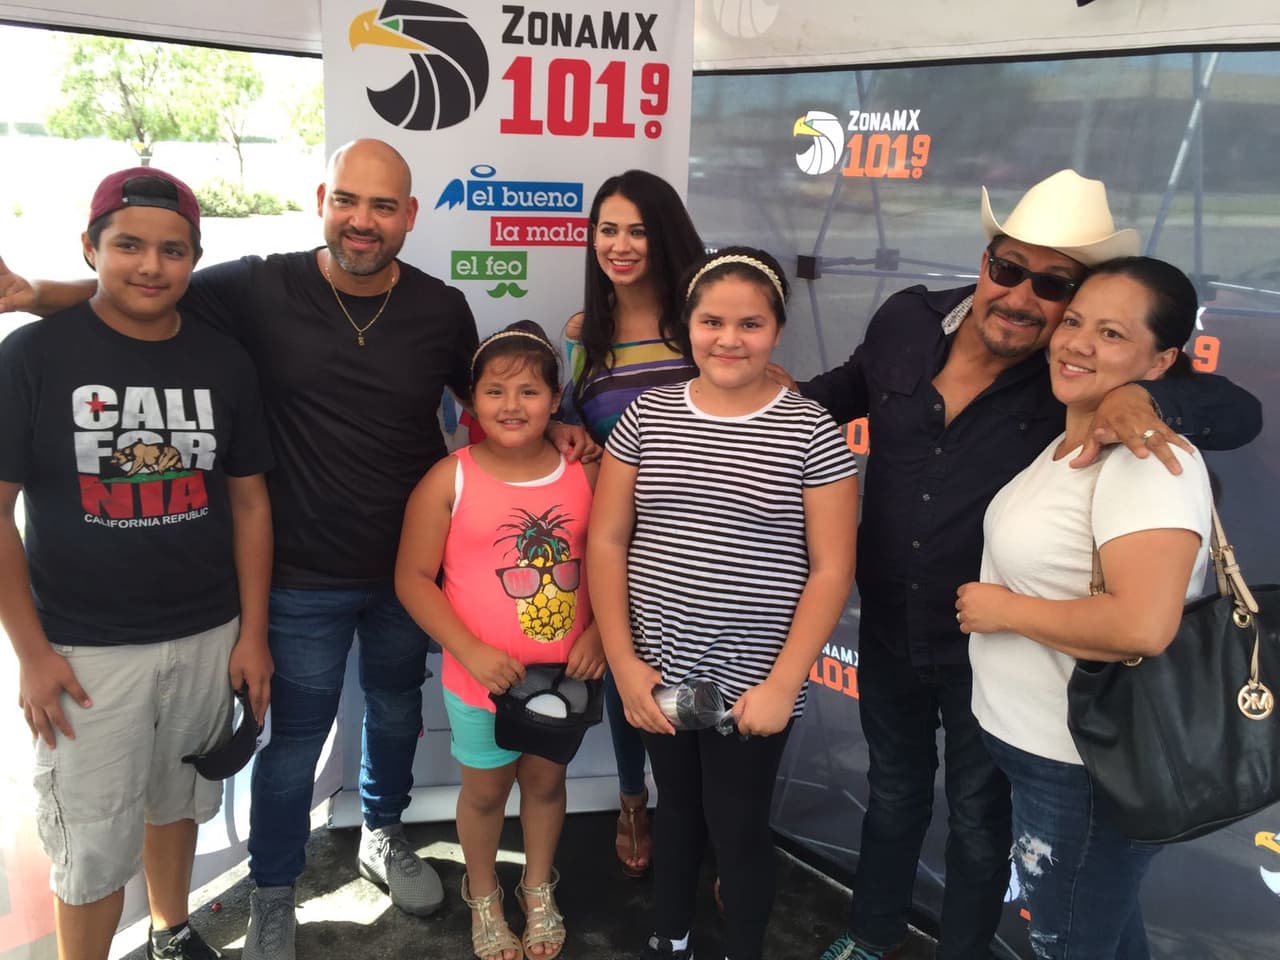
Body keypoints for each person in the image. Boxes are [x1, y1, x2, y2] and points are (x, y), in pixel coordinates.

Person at [0, 139, 589, 960]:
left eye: (384, 206)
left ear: (410, 216)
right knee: (294, 741)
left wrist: (561, 425)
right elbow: (135, 289)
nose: (363, 220)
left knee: (392, 715)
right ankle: (276, 888)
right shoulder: (254, 284)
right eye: (349, 200)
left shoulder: (441, 308)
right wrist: (36, 295)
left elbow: (492, 400)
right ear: (323, 199)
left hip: (413, 577)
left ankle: (382, 835)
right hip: (299, 576)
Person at [777, 171, 1263, 960]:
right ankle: (868, 939)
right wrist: (748, 400)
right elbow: (845, 390)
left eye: (1053, 286)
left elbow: (1238, 412)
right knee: (893, 797)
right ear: (984, 260)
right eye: (1009, 269)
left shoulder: (1073, 376)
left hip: (992, 655)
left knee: (980, 827)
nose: (1023, 298)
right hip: (890, 632)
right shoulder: (906, 320)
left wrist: (1152, 400)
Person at [0, 168, 274, 960]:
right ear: (89, 248)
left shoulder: (225, 361)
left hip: (206, 634)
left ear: (195, 259)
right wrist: (32, 654)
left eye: (172, 250)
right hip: (85, 650)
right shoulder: (32, 356)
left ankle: (170, 929)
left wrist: (251, 633)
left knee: (178, 797)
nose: (150, 266)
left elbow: (251, 503)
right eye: (128, 246)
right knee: (90, 844)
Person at [589, 248, 859, 960]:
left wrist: (784, 683)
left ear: (777, 330)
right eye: (712, 321)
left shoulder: (810, 430)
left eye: (750, 323)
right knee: (677, 814)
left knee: (738, 827)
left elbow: (832, 568)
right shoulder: (646, 418)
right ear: (687, 324)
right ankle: (670, 937)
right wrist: (623, 663)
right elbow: (609, 542)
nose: (729, 339)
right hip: (656, 674)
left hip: (755, 686)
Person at [957, 257, 1212, 958]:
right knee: (1100, 938)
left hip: (1084, 771)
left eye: (1110, 334)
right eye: (1073, 322)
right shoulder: (1078, 436)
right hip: (1042, 752)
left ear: (1160, 361)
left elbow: (1141, 625)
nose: (1075, 343)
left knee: (1068, 944)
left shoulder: (1145, 463)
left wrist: (1002, 609)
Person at [396, 321, 604, 960]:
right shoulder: (448, 478)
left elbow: (610, 558)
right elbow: (412, 578)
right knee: (486, 791)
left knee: (545, 784)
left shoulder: (584, 473)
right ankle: (483, 891)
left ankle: (537, 886)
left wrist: (596, 629)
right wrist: (471, 650)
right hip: (479, 680)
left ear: (554, 399)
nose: (512, 406)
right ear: (470, 402)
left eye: (529, 391)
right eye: (495, 392)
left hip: (563, 677)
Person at [564, 169, 704, 877]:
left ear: (665, 235)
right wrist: (568, 436)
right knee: (630, 682)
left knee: (713, 689)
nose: (619, 246)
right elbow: (569, 423)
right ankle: (629, 800)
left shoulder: (701, 323)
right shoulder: (585, 334)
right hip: (615, 547)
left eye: (638, 230)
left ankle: (713, 833)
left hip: (703, 547)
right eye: (607, 229)